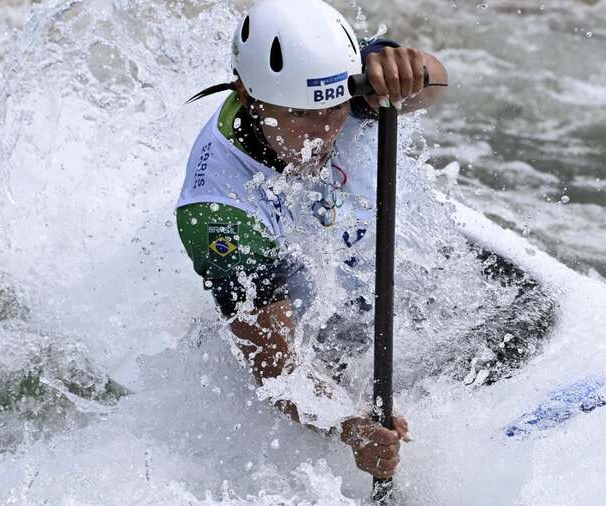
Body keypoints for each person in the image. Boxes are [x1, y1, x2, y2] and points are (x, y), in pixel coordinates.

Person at [176, 0, 447, 480]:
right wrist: (349, 425)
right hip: (298, 318)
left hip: (359, 273)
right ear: (247, 93)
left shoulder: (339, 77)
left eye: (336, 109)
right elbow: (279, 369)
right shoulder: (220, 214)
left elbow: (435, 82)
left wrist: (412, 69)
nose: (321, 135)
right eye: (301, 115)